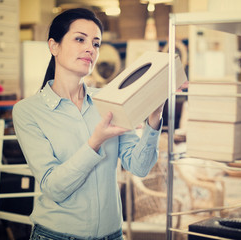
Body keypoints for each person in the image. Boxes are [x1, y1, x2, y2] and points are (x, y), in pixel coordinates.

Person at [13, 8, 164, 240]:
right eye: (80, 39)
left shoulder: (110, 101)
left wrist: (154, 118)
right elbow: (54, 188)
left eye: (96, 43)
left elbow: (139, 167)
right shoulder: (28, 111)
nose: (90, 49)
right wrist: (95, 141)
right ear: (54, 46)